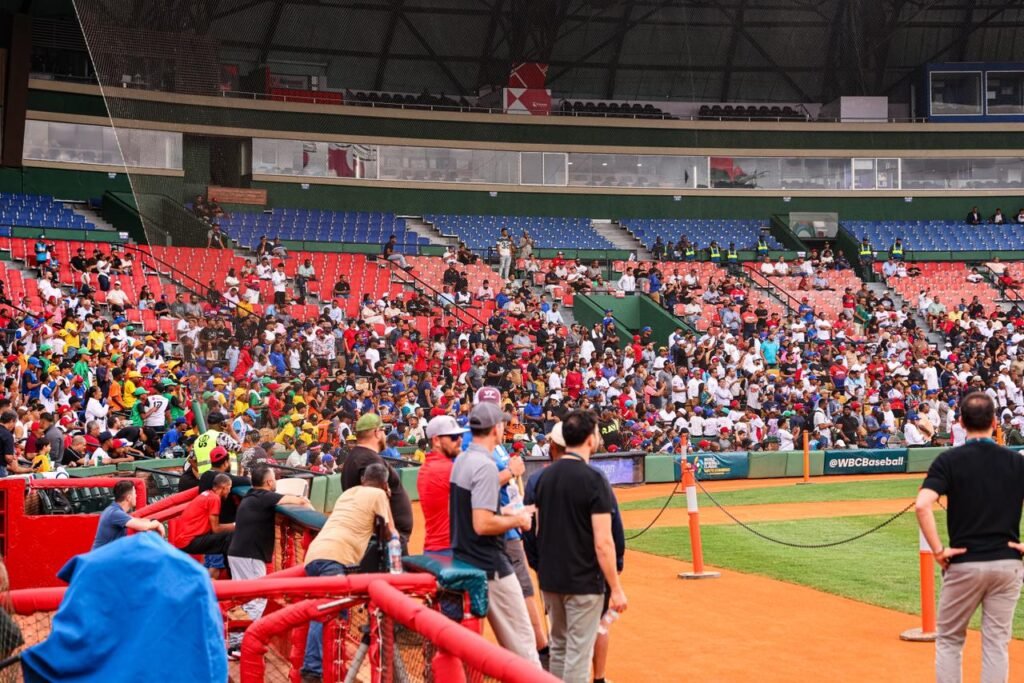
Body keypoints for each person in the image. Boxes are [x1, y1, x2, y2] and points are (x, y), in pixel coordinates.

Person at [915, 392, 1024, 683]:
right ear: (994, 422)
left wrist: (938, 551)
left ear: (960, 422)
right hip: (1007, 561)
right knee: (996, 642)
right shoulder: (1016, 461)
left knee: (950, 640)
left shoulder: (949, 460)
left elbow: (923, 504)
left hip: (964, 561)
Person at [532, 411, 626, 683]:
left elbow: (537, 532)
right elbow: (603, 541)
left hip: (551, 579)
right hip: (583, 580)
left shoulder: (543, 478)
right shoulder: (593, 479)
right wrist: (616, 588)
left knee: (559, 648)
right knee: (577, 654)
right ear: (589, 439)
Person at [449, 402, 540, 666]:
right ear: (495, 429)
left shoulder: (463, 459)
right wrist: (519, 518)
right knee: (524, 647)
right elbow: (482, 523)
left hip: (466, 555)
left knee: (511, 646)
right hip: (490, 563)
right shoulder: (485, 464)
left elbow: (474, 510)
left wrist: (516, 510)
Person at [301, 463, 398, 679]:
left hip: (314, 556)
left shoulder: (348, 493)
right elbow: (391, 534)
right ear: (384, 484)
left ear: (363, 479)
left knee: (333, 611)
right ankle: (313, 669)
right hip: (334, 560)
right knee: (326, 612)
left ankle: (327, 667)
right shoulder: (378, 494)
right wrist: (387, 497)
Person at [226, 465, 311, 654]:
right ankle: (242, 643)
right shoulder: (265, 497)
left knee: (243, 599)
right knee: (256, 600)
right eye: (274, 479)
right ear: (269, 482)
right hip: (249, 555)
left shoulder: (251, 495)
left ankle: (234, 643)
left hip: (238, 552)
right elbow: (297, 500)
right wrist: (306, 502)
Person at [340, 413, 413, 546]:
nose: (384, 436)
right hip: (386, 539)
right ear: (376, 432)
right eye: (383, 431)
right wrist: (391, 533)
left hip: (377, 536)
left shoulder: (356, 455)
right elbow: (377, 498)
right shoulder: (369, 459)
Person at [417, 415, 467, 552]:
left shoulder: (428, 466)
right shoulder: (447, 469)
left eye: (460, 436)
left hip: (436, 548)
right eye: (454, 437)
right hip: (449, 550)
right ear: (436, 440)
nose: (460, 440)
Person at [170, 473, 235, 561]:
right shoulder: (214, 499)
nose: (229, 491)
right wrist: (236, 525)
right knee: (230, 537)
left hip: (182, 540)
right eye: (229, 488)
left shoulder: (206, 494)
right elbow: (216, 529)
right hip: (189, 542)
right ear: (223, 487)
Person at [92, 480, 165, 549]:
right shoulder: (115, 513)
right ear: (129, 498)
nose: (136, 496)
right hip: (102, 560)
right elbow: (143, 527)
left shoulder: (114, 510)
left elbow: (136, 521)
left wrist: (152, 521)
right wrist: (157, 524)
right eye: (134, 493)